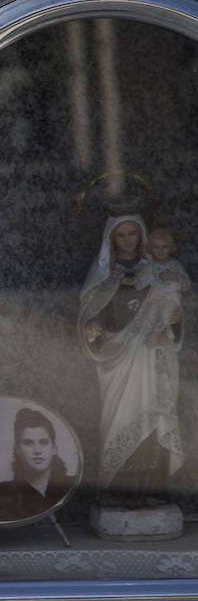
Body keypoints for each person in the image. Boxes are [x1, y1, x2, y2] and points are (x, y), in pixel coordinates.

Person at [80, 213, 184, 506]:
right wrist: (94, 332)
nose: (127, 240)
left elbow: (174, 307)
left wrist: (174, 325)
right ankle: (118, 489)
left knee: (154, 416)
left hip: (152, 356)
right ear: (111, 239)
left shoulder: (159, 269)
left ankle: (155, 489)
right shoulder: (102, 275)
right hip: (117, 358)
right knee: (120, 419)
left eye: (132, 234)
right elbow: (91, 315)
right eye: (121, 235)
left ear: (143, 236)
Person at [0, 408, 76, 521]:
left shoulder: (70, 485)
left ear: (54, 448)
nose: (37, 451)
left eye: (43, 442)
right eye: (28, 443)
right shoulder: (3, 492)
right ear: (17, 449)